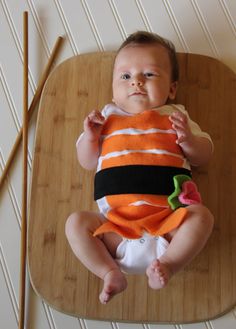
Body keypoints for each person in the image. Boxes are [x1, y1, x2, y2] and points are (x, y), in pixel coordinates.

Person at [65, 31, 214, 304]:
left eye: (149, 74)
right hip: (116, 229)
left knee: (202, 217)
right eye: (125, 76)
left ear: (171, 88)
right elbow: (86, 161)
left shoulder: (175, 116)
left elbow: (204, 156)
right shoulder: (106, 118)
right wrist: (90, 138)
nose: (136, 81)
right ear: (113, 86)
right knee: (75, 223)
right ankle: (109, 272)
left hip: (168, 226)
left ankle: (169, 264)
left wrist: (190, 141)